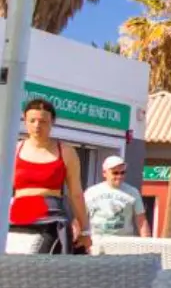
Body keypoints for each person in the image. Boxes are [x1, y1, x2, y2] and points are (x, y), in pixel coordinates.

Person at [10, 98, 88, 253]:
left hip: (51, 217)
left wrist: (85, 230)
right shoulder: (13, 149)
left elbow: (76, 194)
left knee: (47, 258)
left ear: (52, 122)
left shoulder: (66, 152)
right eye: (32, 120)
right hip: (17, 216)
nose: (37, 125)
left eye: (43, 121)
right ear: (25, 121)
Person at [84, 156, 148, 238]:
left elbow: (141, 221)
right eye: (115, 173)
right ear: (104, 173)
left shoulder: (133, 192)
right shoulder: (91, 192)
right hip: (97, 241)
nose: (119, 176)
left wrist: (147, 244)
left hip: (123, 242)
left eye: (122, 172)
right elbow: (80, 217)